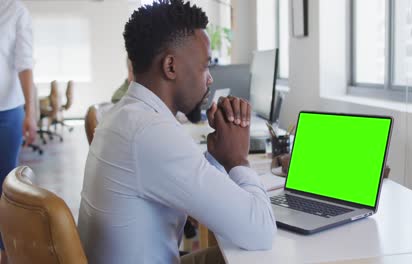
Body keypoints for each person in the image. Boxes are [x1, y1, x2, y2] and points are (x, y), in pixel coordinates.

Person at [77, 0, 276, 263]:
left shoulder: (126, 115)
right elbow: (261, 232)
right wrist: (238, 159)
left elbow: (194, 186)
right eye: (205, 66)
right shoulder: (149, 132)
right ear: (170, 66)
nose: (210, 79)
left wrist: (217, 156)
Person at [0, 0, 37, 263]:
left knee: (4, 187)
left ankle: (4, 252)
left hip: (7, 111)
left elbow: (24, 64)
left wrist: (31, 112)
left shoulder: (15, 11)